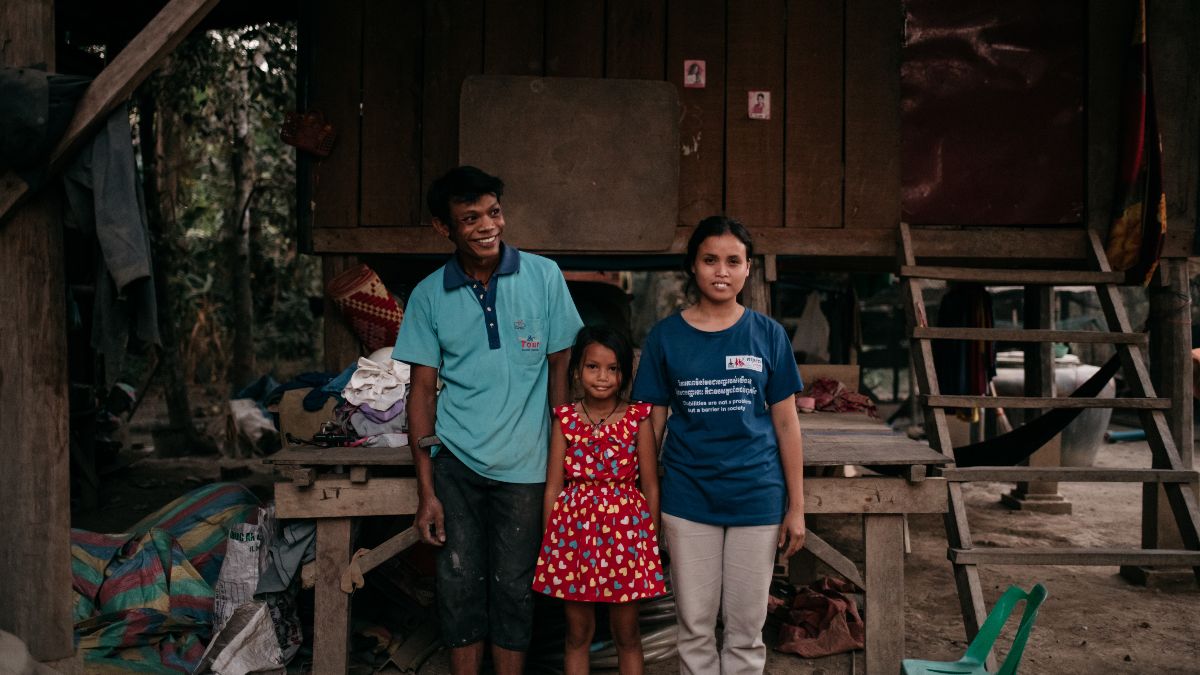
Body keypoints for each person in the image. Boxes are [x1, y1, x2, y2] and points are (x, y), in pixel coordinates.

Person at [393, 165, 584, 675]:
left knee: (515, 587)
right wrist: (426, 491)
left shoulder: (544, 276)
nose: (487, 226)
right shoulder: (429, 295)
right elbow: (421, 392)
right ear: (444, 227)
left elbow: (560, 372)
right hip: (455, 465)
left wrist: (561, 462)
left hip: (528, 467)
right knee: (458, 583)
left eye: (493, 212)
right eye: (470, 218)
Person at [631, 216, 806, 675]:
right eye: (710, 260)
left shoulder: (768, 334)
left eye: (733, 261)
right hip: (688, 497)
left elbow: (787, 424)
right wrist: (647, 499)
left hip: (757, 496)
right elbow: (651, 425)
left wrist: (797, 506)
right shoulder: (665, 337)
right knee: (694, 627)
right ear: (693, 265)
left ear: (748, 268)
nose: (721, 271)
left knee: (746, 631)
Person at [534, 326, 667, 674]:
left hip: (627, 538)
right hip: (573, 537)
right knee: (578, 633)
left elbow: (651, 486)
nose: (603, 377)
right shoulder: (564, 419)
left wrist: (649, 540)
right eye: (593, 367)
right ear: (578, 370)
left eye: (612, 368)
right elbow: (553, 487)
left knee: (627, 633)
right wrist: (552, 543)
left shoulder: (638, 419)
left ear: (624, 374)